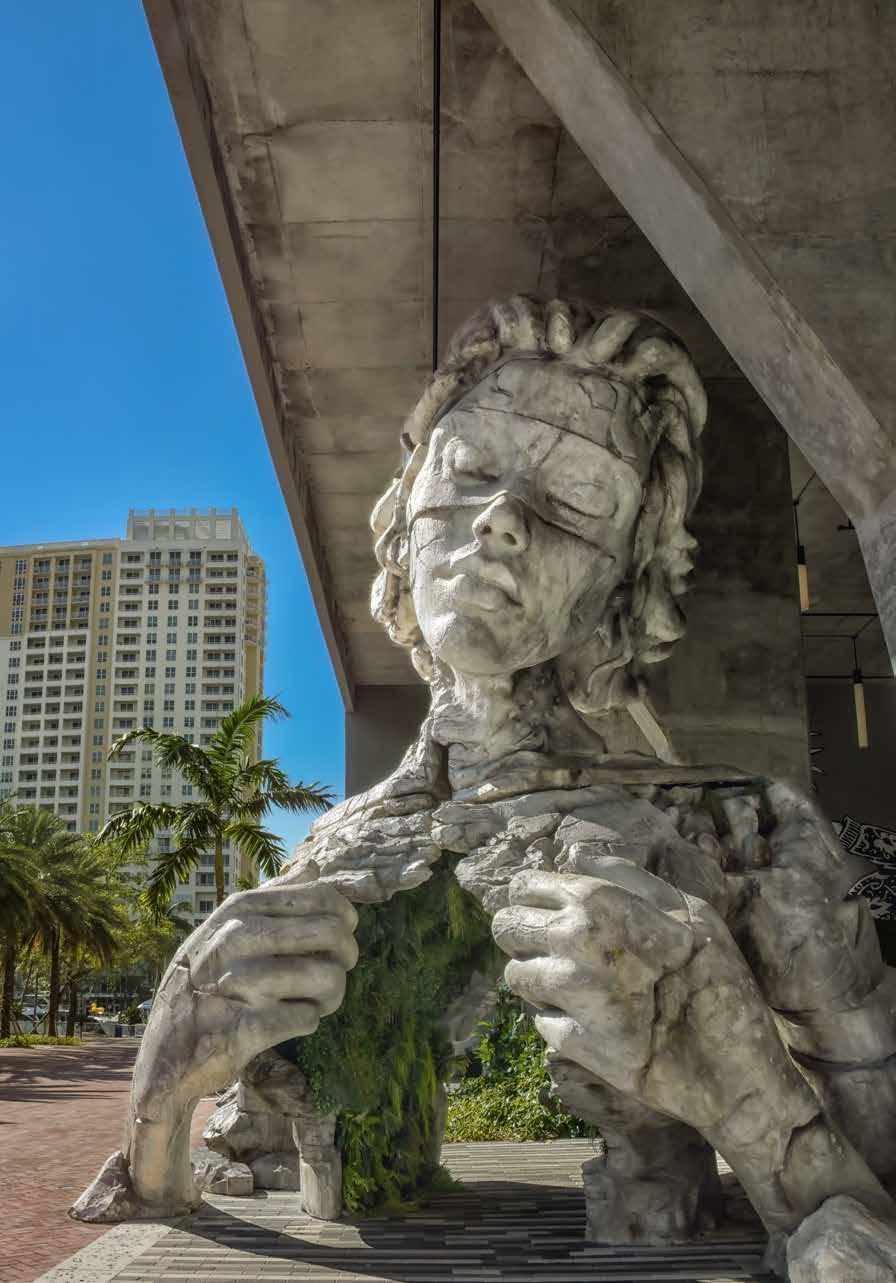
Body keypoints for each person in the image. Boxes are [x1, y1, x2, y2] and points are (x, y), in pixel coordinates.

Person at [73, 298, 896, 1276]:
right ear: (403, 512)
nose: (502, 520)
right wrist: (162, 1101)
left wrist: (748, 1096)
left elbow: (873, 1206)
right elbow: (217, 1168)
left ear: (622, 585)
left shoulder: (751, 835)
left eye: (575, 499)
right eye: (468, 470)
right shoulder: (329, 851)